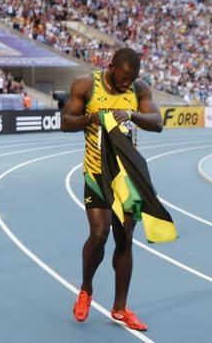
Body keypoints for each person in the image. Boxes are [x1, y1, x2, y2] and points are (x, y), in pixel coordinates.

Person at [61, 48, 162, 332]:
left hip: (127, 178)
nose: (126, 84)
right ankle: (86, 289)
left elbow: (157, 123)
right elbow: (65, 122)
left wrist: (131, 114)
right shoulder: (86, 85)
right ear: (111, 67)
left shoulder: (139, 90)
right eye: (123, 78)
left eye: (131, 79)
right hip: (96, 172)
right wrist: (89, 119)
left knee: (125, 238)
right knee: (98, 234)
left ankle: (120, 308)